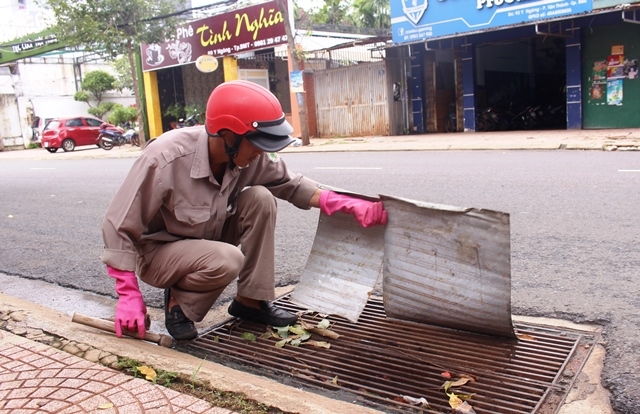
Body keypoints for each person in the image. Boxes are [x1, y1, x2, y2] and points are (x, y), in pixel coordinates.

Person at [100, 80, 387, 341]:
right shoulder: (165, 158)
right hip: (160, 253)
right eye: (259, 143)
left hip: (207, 240)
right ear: (227, 135)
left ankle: (251, 300)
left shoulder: (246, 155)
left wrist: (345, 203)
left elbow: (291, 184)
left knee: (261, 197)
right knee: (227, 259)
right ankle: (181, 304)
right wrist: (128, 294)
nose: (262, 152)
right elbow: (117, 225)